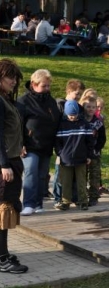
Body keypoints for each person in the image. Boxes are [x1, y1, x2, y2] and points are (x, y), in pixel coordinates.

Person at [17, 69, 61, 216]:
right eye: (44, 86)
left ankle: (38, 203)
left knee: (42, 175)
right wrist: (20, 144)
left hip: (46, 145)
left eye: (48, 86)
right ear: (34, 85)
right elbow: (18, 125)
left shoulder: (51, 101)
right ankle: (28, 204)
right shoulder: (24, 101)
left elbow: (56, 120)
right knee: (30, 172)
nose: (47, 89)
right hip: (30, 145)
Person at [0, 58, 28, 274]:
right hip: (5, 165)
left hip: (12, 161)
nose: (13, 81)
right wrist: (4, 164)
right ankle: (2, 259)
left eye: (15, 78)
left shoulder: (6, 100)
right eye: (10, 77)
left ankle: (3, 253)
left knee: (7, 210)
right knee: (3, 211)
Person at [55, 100, 94, 211]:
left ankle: (83, 201)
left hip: (81, 158)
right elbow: (57, 142)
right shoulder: (62, 125)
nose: (72, 117)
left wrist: (89, 156)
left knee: (81, 181)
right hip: (65, 159)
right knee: (66, 181)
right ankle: (66, 201)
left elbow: (90, 142)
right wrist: (60, 153)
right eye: (70, 115)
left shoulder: (84, 124)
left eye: (74, 114)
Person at [53, 79, 86, 208]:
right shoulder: (59, 105)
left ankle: (75, 198)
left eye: (80, 95)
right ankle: (59, 197)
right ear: (69, 91)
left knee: (75, 177)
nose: (78, 97)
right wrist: (59, 152)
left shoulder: (79, 108)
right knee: (60, 176)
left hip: (76, 146)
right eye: (76, 94)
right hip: (63, 146)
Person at [81, 96, 106, 206]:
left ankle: (94, 196)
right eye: (88, 107)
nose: (91, 109)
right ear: (83, 107)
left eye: (93, 107)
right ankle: (82, 196)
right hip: (82, 153)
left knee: (94, 176)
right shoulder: (80, 121)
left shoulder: (98, 123)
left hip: (94, 154)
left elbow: (102, 138)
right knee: (82, 175)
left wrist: (97, 149)